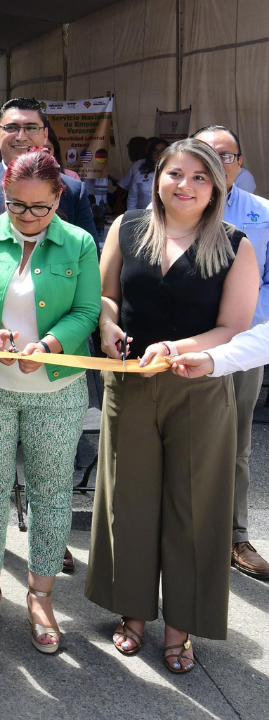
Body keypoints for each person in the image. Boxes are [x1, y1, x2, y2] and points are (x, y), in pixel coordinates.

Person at [88, 138, 257, 673]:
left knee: (194, 507)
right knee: (129, 501)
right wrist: (108, 325)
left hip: (199, 389)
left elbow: (233, 327)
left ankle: (182, 626)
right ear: (157, 177)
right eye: (175, 174)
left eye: (200, 177)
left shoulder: (235, 245)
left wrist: (175, 348)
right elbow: (106, 297)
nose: (185, 185)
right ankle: (133, 612)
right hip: (131, 384)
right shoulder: (126, 228)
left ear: (217, 188)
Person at [0, 150, 100, 652]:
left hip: (57, 390)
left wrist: (52, 345)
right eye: (17, 205)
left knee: (52, 492)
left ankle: (42, 595)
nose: (29, 216)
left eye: (41, 207)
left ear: (59, 198)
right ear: (4, 194)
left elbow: (87, 311)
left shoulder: (79, 242)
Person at [191, 124, 269, 582]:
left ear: (240, 162)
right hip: (182, 344)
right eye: (206, 152)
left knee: (237, 442)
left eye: (227, 155)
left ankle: (236, 535)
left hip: (242, 346)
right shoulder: (175, 206)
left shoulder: (262, 213)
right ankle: (182, 532)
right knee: (180, 440)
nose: (217, 162)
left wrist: (246, 324)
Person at [127, 137, 169, 211]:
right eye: (156, 151)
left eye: (163, 151)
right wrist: (131, 216)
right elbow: (132, 199)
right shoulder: (140, 172)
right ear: (150, 154)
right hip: (143, 215)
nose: (159, 154)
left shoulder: (176, 173)